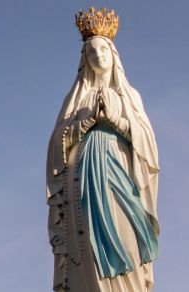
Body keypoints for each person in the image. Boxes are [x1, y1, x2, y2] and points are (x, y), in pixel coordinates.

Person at [46, 7, 160, 292]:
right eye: (92, 52)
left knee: (127, 243)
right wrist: (82, 125)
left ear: (114, 55)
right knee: (87, 255)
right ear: (84, 58)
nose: (98, 56)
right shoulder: (76, 100)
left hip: (120, 176)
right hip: (83, 184)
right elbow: (55, 148)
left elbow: (148, 146)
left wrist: (115, 120)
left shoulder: (129, 96)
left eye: (103, 51)